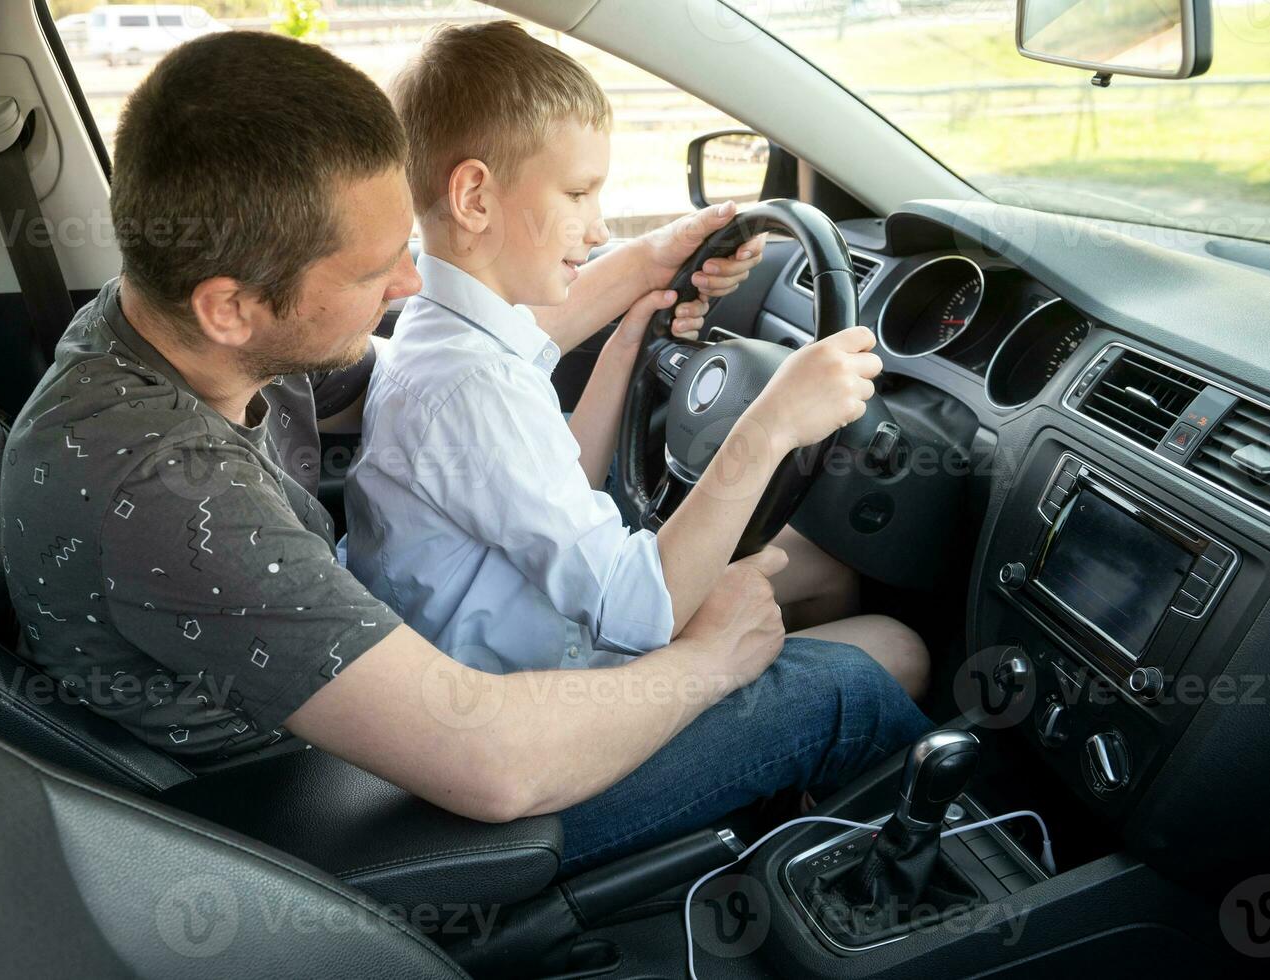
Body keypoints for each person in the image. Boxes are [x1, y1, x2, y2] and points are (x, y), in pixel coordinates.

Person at [0, 29, 929, 874]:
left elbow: (437, 367)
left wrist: (642, 273)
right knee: (868, 669)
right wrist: (710, 661)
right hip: (365, 826)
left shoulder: (172, 332)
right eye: (372, 272)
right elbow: (495, 765)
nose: (408, 282)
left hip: (376, 728)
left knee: (806, 591)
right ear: (231, 305)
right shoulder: (167, 493)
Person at [344, 21, 928, 702]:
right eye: (577, 193)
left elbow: (561, 475)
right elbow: (640, 611)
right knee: (898, 649)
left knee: (817, 569)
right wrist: (773, 424)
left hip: (512, 636)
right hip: (552, 697)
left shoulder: (443, 332)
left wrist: (632, 339)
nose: (596, 229)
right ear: (474, 197)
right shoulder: (477, 386)